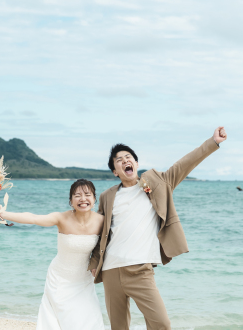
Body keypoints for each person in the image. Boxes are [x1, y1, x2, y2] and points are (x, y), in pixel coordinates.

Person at [88, 126, 228, 330]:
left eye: (128, 157)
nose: (125, 160)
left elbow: (184, 164)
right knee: (118, 327)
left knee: (161, 324)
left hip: (140, 270)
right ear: (115, 171)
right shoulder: (107, 196)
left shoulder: (156, 183)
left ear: (136, 163)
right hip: (111, 270)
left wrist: (212, 142)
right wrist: (94, 261)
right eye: (119, 160)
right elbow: (100, 232)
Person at [0, 179, 106, 330]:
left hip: (84, 281)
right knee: (58, 320)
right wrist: (2, 213)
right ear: (71, 201)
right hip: (60, 278)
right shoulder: (61, 218)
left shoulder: (102, 221)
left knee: (87, 319)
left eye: (87, 194)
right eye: (77, 195)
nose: (83, 199)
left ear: (94, 198)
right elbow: (33, 218)